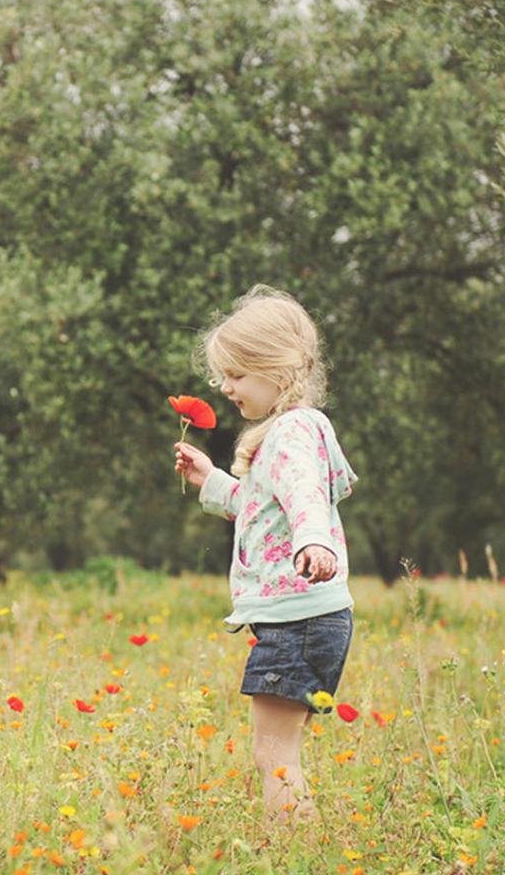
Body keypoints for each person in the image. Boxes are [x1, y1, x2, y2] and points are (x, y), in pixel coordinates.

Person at [173, 285, 357, 823]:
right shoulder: (291, 430)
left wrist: (313, 538)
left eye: (235, 375)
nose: (225, 387)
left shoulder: (293, 433)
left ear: (276, 370)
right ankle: (301, 845)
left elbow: (304, 497)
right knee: (280, 752)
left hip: (299, 618)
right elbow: (261, 508)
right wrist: (211, 479)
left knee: (273, 756)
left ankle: (296, 850)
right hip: (308, 617)